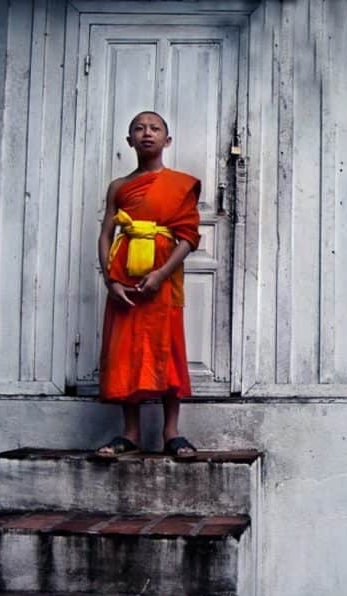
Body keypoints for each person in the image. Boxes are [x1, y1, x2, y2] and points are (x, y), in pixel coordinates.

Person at [93, 111, 201, 459]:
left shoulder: (180, 184)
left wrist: (161, 274)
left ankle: (171, 432)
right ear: (129, 141)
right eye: (139, 129)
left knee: (167, 347)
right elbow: (107, 233)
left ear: (167, 140)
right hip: (125, 277)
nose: (147, 134)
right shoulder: (119, 187)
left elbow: (187, 237)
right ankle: (130, 433)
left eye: (155, 129)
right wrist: (110, 278)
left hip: (164, 279)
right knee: (125, 348)